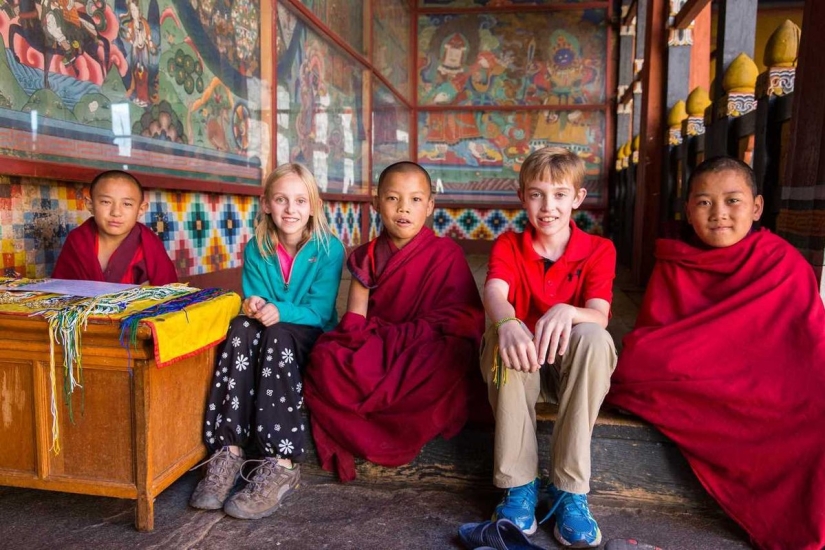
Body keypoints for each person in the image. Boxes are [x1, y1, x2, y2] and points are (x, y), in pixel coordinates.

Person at [607, 156, 825, 550]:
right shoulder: (675, 262)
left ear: (756, 207)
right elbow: (650, 343)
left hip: (766, 378)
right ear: (688, 210)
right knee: (641, 362)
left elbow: (806, 344)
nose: (718, 214)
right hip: (700, 377)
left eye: (733, 201)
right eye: (704, 202)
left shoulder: (782, 264)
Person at [303, 161, 485, 481]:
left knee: (454, 356)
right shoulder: (366, 256)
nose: (404, 208)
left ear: (429, 206)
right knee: (325, 356)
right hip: (383, 341)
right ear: (376, 203)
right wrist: (362, 345)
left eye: (415, 200)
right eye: (392, 198)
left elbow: (465, 318)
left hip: (426, 344)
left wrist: (415, 337)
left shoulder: (446, 254)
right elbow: (354, 320)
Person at [188, 163, 345, 519]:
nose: (291, 209)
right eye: (281, 200)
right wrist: (254, 304)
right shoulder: (257, 247)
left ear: (313, 206)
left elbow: (319, 312)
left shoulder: (329, 248)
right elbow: (255, 298)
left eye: (300, 201)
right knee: (240, 328)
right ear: (266, 204)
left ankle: (281, 461)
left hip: (308, 335)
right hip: (270, 328)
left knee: (274, 334)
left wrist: (279, 311)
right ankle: (227, 450)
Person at [480, 146, 616, 547]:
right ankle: (518, 487)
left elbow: (600, 314)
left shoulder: (598, 250)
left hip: (567, 366)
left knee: (595, 338)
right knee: (503, 336)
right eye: (537, 194)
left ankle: (570, 489)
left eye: (559, 195)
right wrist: (507, 322)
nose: (548, 206)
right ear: (522, 196)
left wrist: (567, 310)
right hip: (520, 368)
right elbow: (495, 291)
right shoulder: (508, 244)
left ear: (577, 198)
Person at [52, 170, 177, 285]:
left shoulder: (149, 245)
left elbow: (169, 295)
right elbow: (61, 290)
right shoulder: (78, 240)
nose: (116, 212)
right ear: (90, 205)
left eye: (127, 204)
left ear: (141, 209)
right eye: (106, 202)